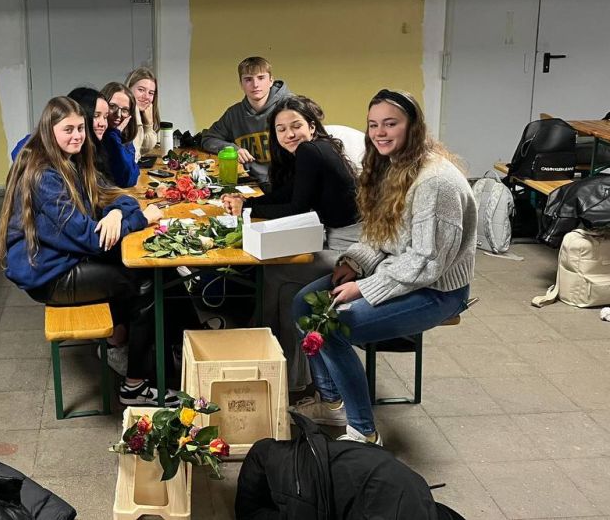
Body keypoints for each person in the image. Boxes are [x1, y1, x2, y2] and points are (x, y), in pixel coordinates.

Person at [290, 90, 476, 446]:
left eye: (390, 124)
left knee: (332, 326)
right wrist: (355, 262)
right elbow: (380, 232)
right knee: (303, 305)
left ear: (413, 127)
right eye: (374, 124)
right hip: (398, 271)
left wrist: (363, 287)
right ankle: (331, 402)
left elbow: (427, 262)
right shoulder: (390, 165)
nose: (380, 132)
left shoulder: (435, 182)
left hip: (438, 291)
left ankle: (363, 431)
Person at [0, 96, 172, 406]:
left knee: (143, 268)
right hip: (50, 275)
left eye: (80, 128)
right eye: (68, 129)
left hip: (65, 257)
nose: (77, 135)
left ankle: (130, 345)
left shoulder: (72, 159)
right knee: (145, 283)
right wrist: (141, 219)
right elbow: (92, 239)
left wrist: (116, 214)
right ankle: (135, 385)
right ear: (49, 131)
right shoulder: (44, 175)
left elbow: (117, 194)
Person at [220, 95, 360, 393]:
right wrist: (246, 202)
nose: (289, 134)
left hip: (350, 253)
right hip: (329, 238)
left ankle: (265, 355)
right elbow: (285, 195)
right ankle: (283, 369)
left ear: (311, 126)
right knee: (283, 286)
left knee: (275, 272)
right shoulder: (312, 150)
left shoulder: (310, 150)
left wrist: (248, 208)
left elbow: (297, 209)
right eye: (281, 129)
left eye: (296, 126)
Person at [201, 56, 292, 189]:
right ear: (241, 84)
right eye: (248, 79)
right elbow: (208, 139)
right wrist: (233, 149)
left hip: (288, 183)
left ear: (271, 80)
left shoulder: (291, 107)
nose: (255, 85)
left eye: (261, 78)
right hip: (253, 183)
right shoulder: (234, 113)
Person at [10, 87, 110, 170]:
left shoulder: (96, 146)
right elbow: (21, 152)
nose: (103, 123)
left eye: (106, 117)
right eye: (96, 116)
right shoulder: (45, 168)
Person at [99, 82, 140, 188]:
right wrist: (113, 138)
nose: (118, 115)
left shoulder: (122, 136)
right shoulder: (95, 137)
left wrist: (115, 136)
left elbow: (130, 179)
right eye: (112, 106)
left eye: (125, 110)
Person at [125, 67, 160, 159]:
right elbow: (134, 156)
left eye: (151, 93)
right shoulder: (122, 117)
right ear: (128, 89)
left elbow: (143, 150)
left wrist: (149, 125)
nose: (146, 97)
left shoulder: (142, 114)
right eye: (141, 90)